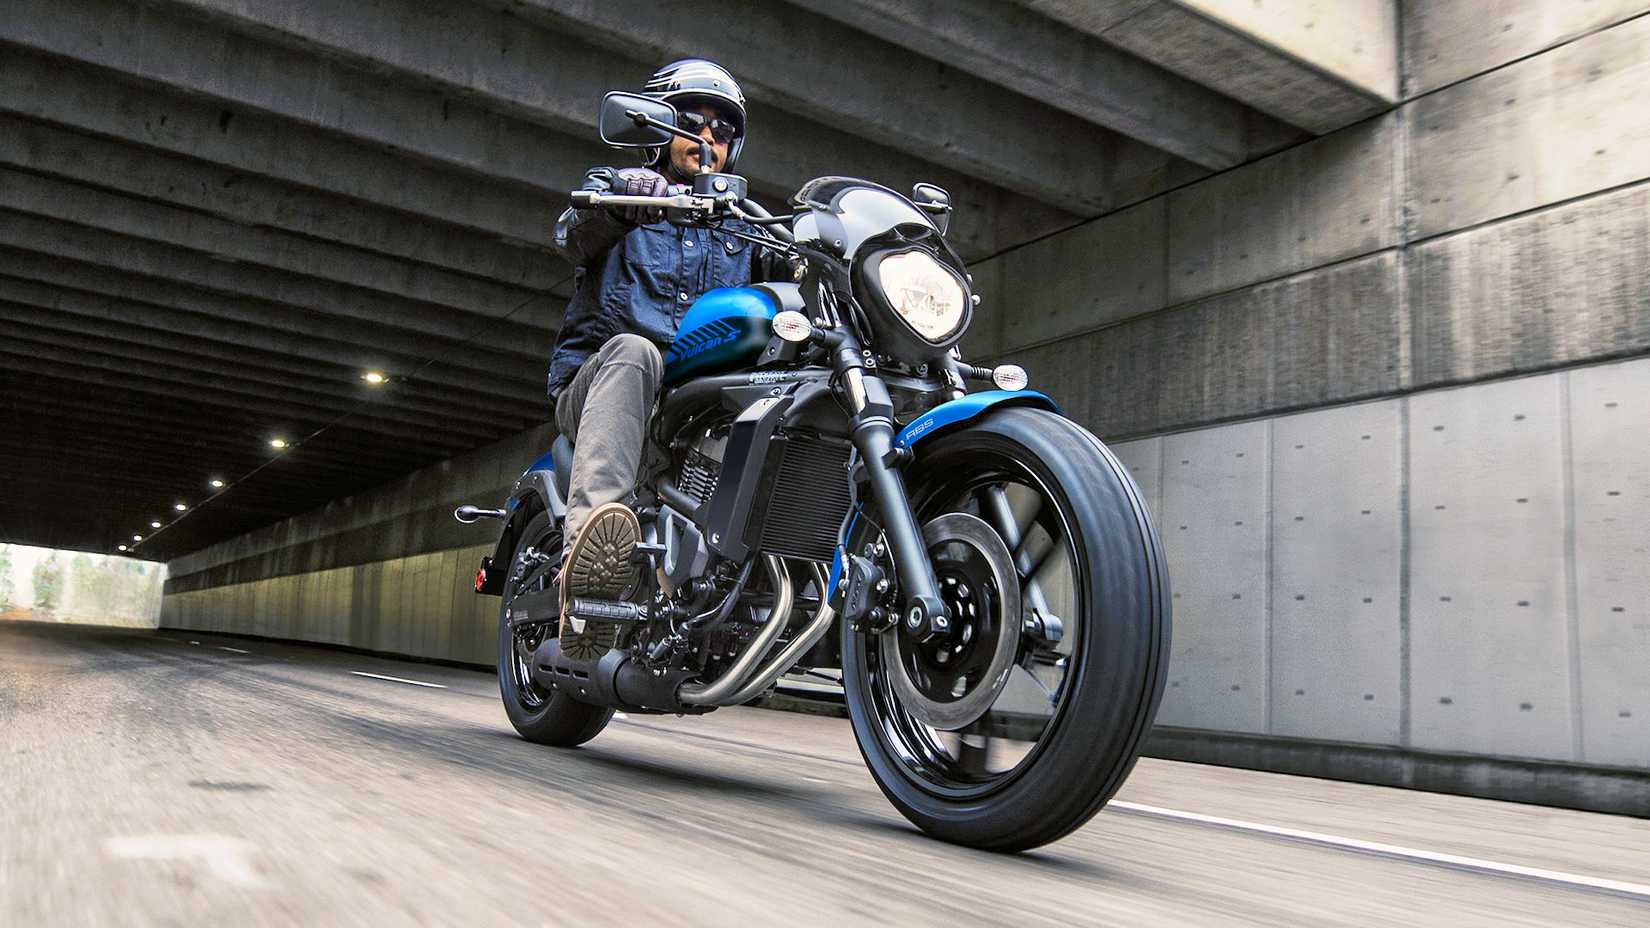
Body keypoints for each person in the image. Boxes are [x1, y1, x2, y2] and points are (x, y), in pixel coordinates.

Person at [546, 59, 771, 659]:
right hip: (603, 389)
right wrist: (622, 203)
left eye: (722, 130)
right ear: (660, 126)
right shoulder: (620, 190)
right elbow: (572, 233)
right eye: (693, 122)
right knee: (636, 350)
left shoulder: (748, 229)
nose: (708, 137)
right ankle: (587, 570)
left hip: (693, 414)